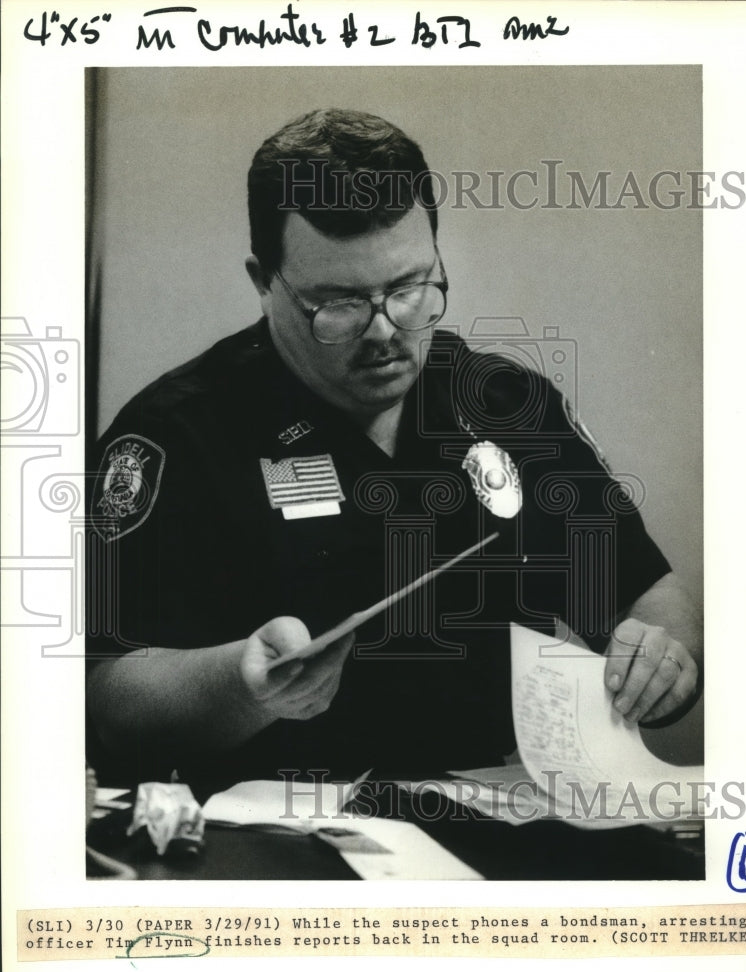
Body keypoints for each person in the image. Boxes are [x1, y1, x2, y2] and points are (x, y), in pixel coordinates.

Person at [86, 109, 702, 791]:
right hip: (271, 833)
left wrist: (662, 658)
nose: (385, 331)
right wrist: (242, 684)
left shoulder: (503, 405)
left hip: (492, 817)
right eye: (340, 303)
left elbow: (643, 591)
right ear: (263, 281)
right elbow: (106, 694)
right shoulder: (177, 434)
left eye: (410, 289)